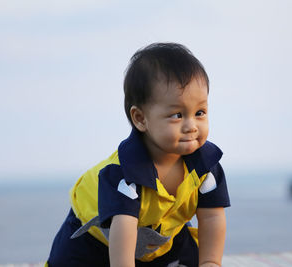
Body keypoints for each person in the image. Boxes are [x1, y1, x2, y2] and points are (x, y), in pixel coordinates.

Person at [46, 43, 230, 267]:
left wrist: (210, 261)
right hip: (95, 238)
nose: (191, 125)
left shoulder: (206, 167)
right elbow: (123, 229)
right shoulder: (123, 174)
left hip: (157, 237)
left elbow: (212, 217)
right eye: (177, 115)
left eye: (200, 112)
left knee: (189, 256)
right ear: (141, 119)